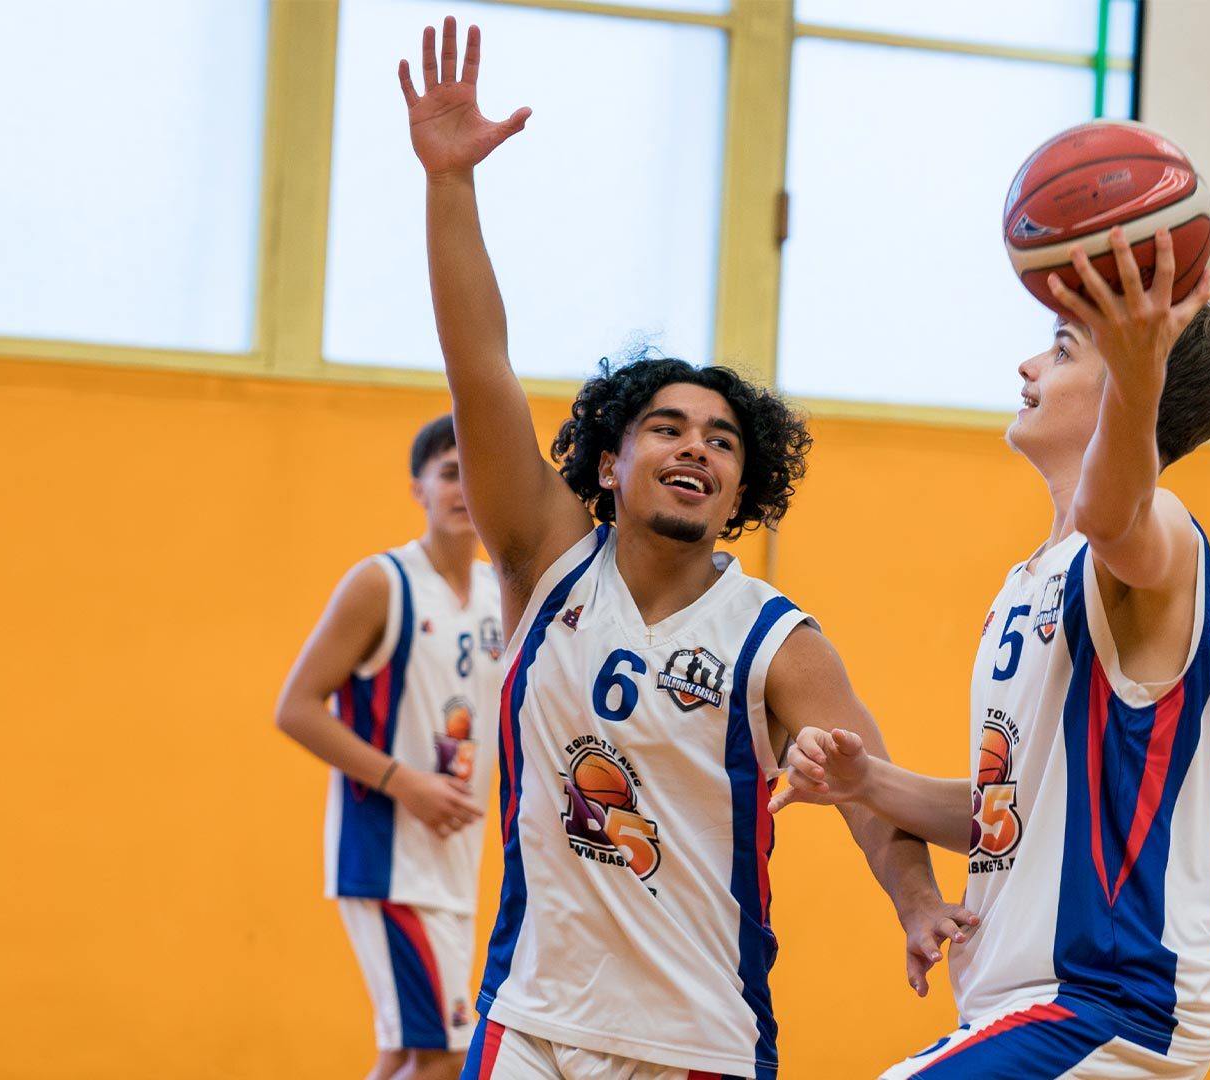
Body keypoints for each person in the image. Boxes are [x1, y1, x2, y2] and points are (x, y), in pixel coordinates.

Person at [395, 19, 971, 1080]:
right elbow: (477, 360)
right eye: (667, 427)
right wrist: (449, 185)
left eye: (723, 441)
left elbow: (866, 790)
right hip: (529, 1023)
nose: (696, 448)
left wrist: (919, 899)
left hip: (697, 1040)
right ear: (609, 460)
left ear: (744, 490)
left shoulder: (778, 641)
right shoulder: (542, 555)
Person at [771, 230, 1210, 1078]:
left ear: (1135, 380)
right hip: (1021, 1004)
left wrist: (1140, 369)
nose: (1029, 366)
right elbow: (1010, 821)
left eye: (1062, 350)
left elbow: (1114, 518)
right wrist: (868, 783)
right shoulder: (1029, 579)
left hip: (1112, 1001)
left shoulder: (1161, 534)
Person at [276, 414, 506, 1080]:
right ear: (419, 488)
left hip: (452, 862)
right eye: (450, 472)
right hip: (387, 858)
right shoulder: (383, 583)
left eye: (477, 472)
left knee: (405, 1052)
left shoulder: (500, 590)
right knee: (445, 1055)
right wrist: (406, 782)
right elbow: (295, 709)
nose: (465, 489)